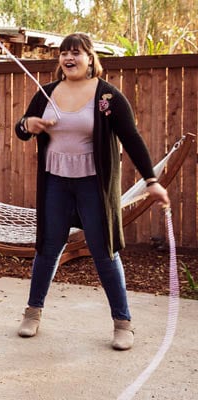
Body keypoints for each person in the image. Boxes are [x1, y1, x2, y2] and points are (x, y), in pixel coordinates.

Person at [14, 33, 170, 350]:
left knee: (104, 252)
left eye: (76, 53)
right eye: (64, 53)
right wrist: (27, 124)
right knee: (47, 249)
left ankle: (122, 323)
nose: (69, 58)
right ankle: (33, 312)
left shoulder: (107, 97)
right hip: (55, 183)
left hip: (92, 187)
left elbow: (133, 139)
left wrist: (151, 180)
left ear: (89, 57)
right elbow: (21, 128)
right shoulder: (46, 93)